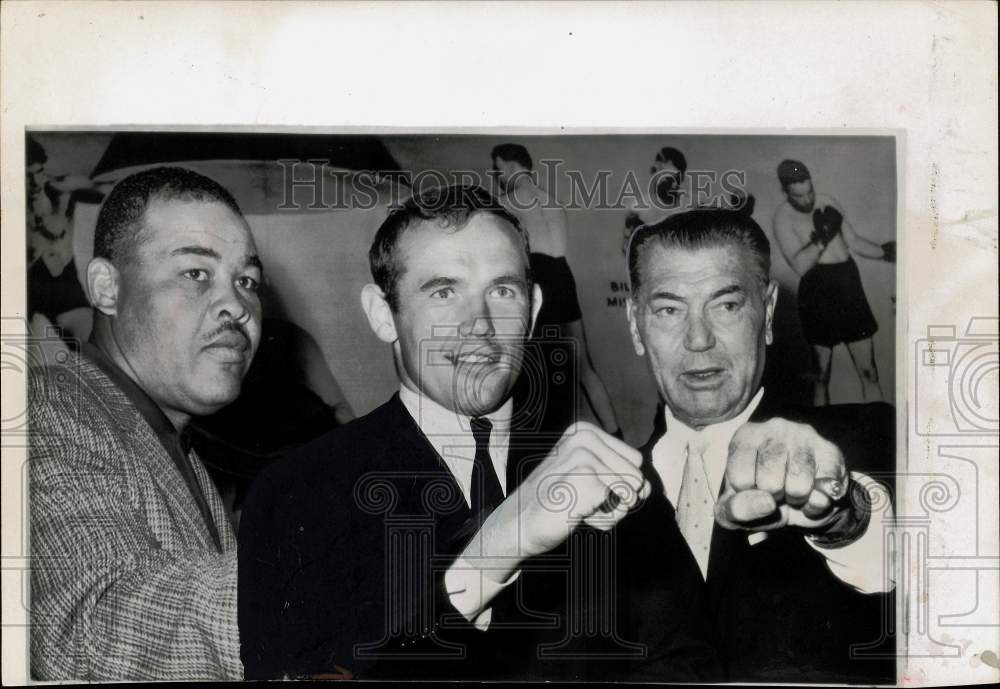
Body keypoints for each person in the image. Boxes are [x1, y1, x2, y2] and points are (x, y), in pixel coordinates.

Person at [238, 185, 719, 681]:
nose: (480, 325)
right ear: (384, 314)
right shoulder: (296, 493)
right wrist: (491, 553)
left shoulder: (610, 478)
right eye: (444, 291)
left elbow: (686, 667)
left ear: (532, 310)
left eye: (502, 290)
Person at [625, 208, 896, 683]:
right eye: (669, 309)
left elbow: (922, 570)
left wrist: (842, 517)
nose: (699, 339)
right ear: (635, 324)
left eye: (726, 305)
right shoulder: (592, 500)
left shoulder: (875, 438)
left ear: (767, 312)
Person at [29, 166, 263, 680]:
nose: (237, 306)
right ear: (107, 289)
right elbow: (87, 628)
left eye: (247, 281)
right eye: (196, 273)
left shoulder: (176, 444)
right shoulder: (45, 410)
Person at [491, 143, 622, 438]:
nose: (498, 176)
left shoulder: (506, 202)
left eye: (499, 169)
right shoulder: (552, 201)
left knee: (530, 368)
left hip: (536, 278)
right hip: (563, 276)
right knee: (583, 367)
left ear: (511, 167)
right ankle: (618, 436)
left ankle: (533, 452)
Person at [772, 159, 896, 405]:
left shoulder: (826, 201)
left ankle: (879, 432)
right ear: (786, 192)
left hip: (847, 284)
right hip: (817, 290)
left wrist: (888, 253)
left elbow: (855, 242)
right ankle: (821, 433)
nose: (808, 200)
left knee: (869, 371)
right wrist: (821, 239)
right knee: (820, 376)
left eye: (810, 192)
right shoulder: (782, 218)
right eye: (800, 196)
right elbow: (800, 267)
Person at [622, 145, 690, 255]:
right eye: (667, 178)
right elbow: (627, 251)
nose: (673, 184)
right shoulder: (638, 210)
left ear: (681, 178)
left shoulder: (690, 206)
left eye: (676, 178)